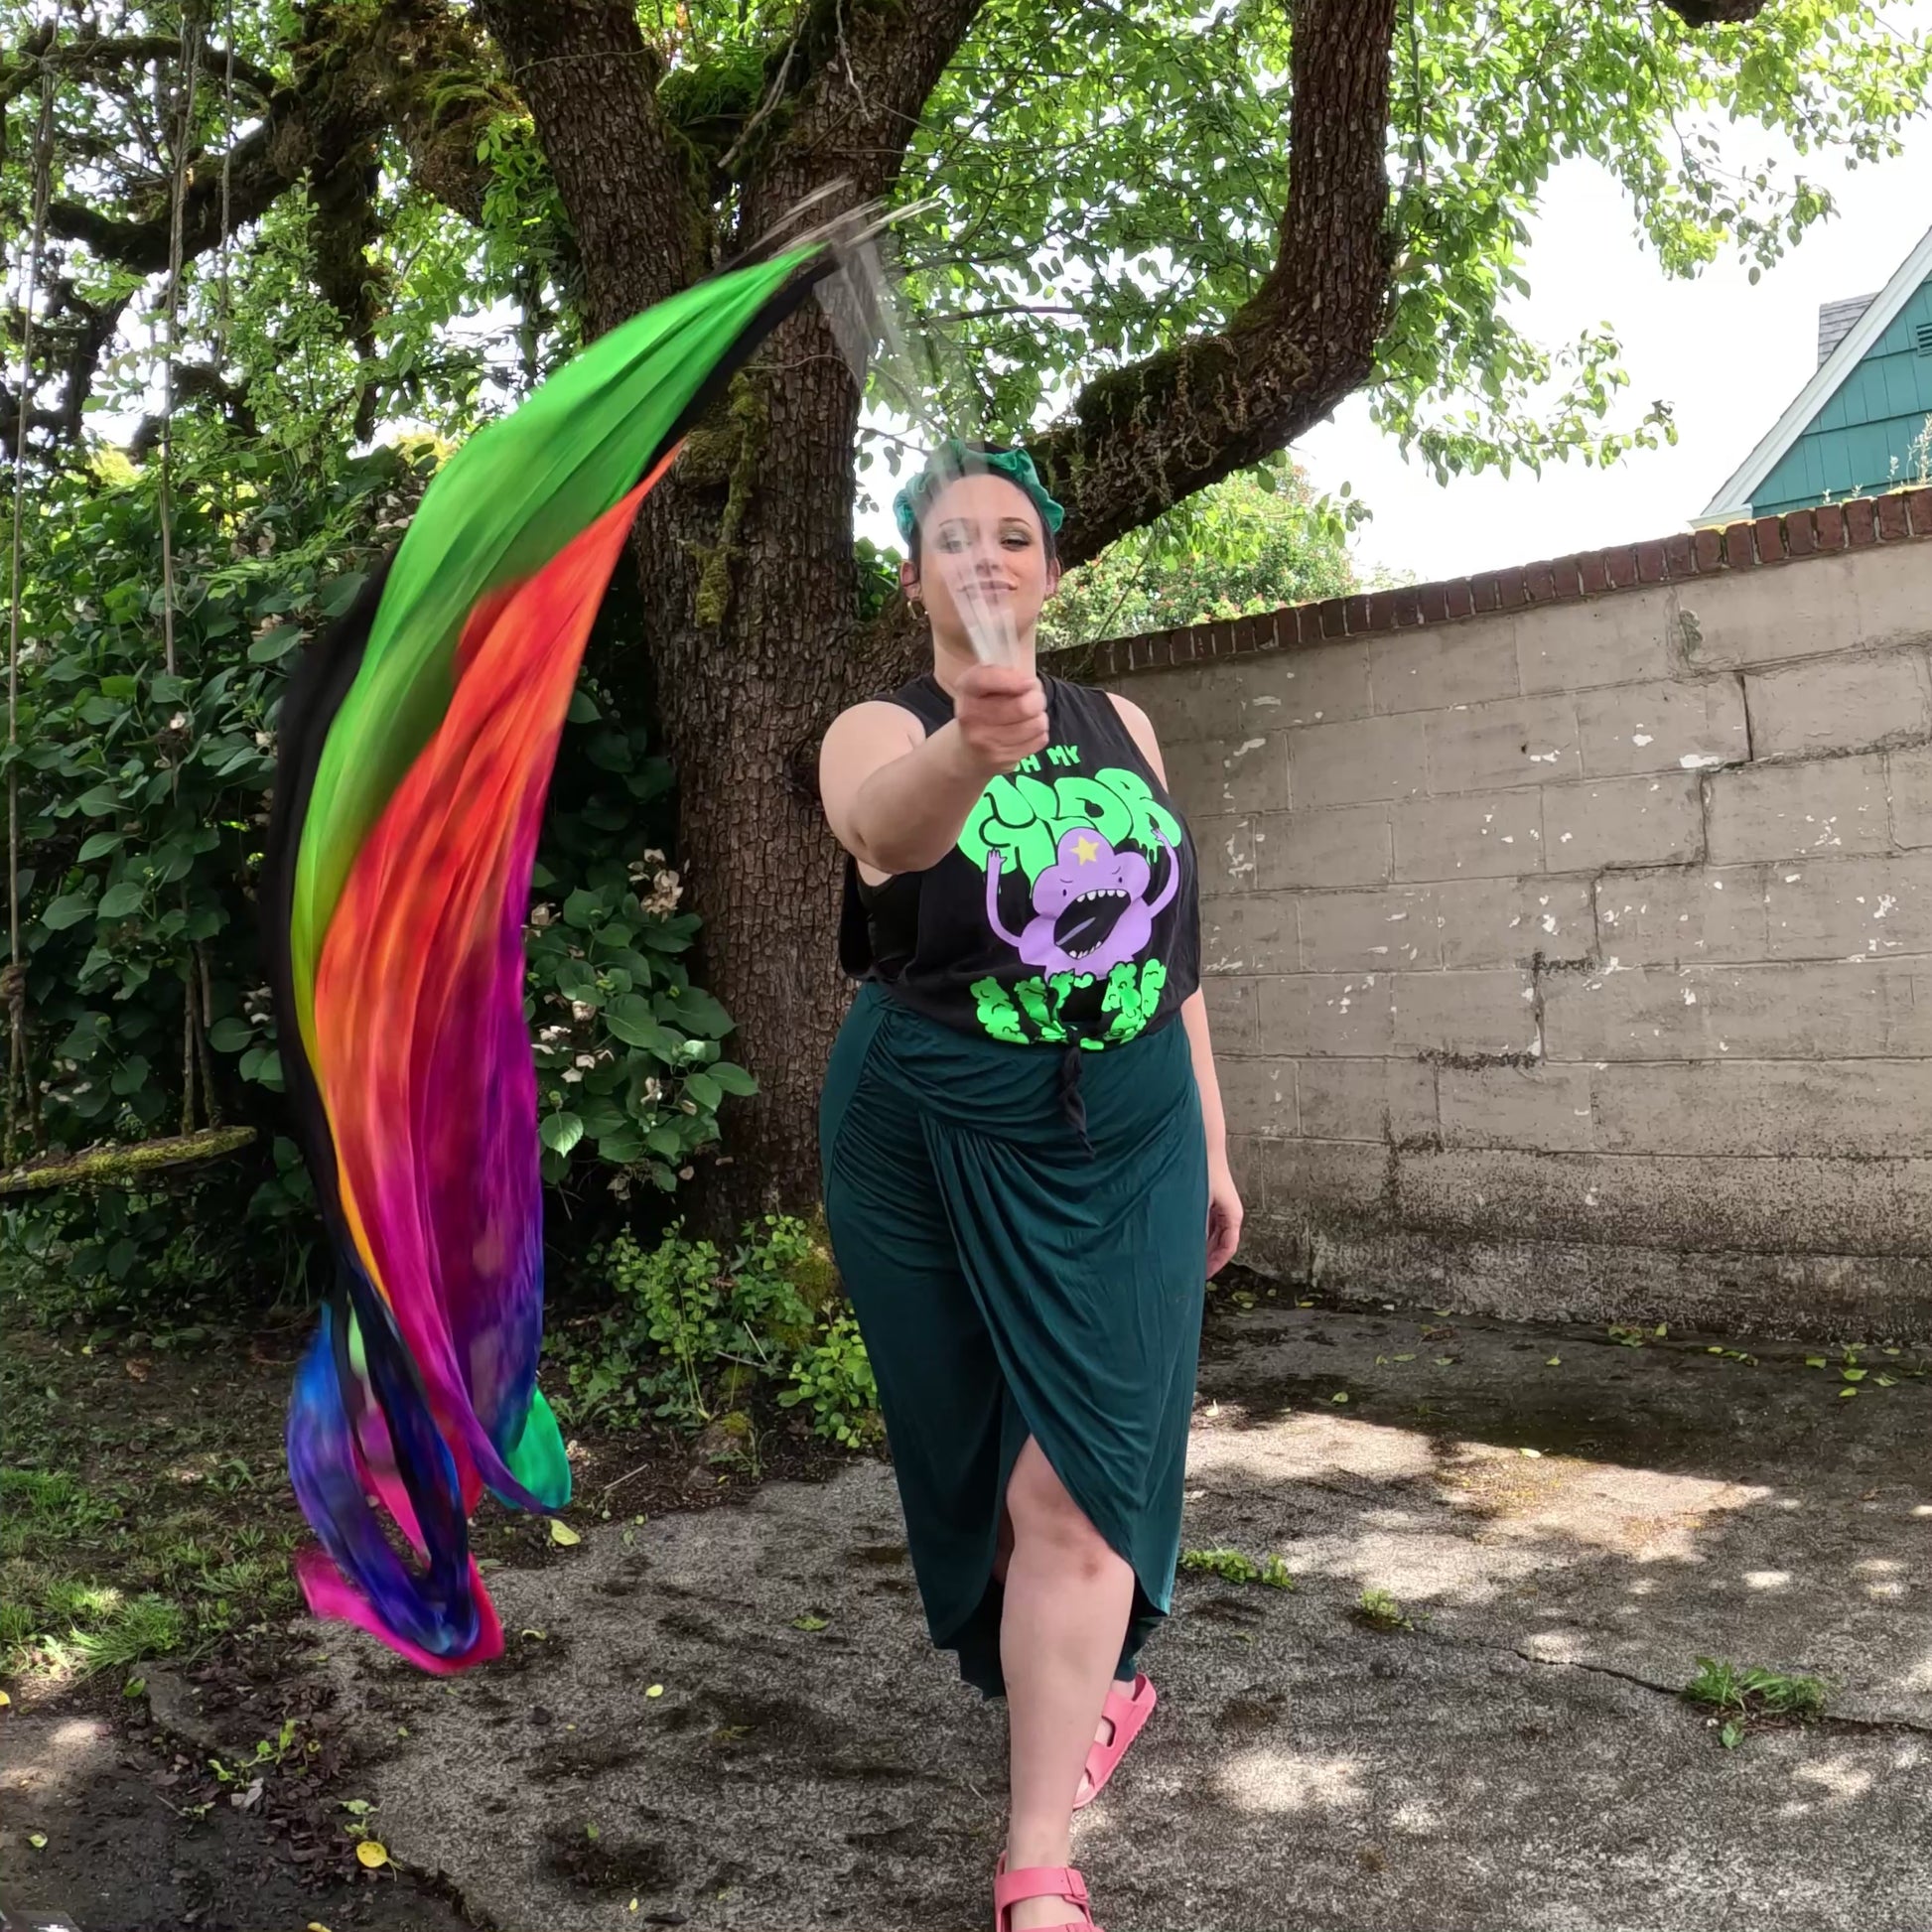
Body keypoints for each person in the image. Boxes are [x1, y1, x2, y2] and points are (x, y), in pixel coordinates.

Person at [816, 441, 1242, 1932]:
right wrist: (968, 751)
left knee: (1074, 1474)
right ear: (915, 578)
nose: (985, 556)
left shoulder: (1125, 722)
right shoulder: (880, 724)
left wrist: (1212, 1137)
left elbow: (1167, 952)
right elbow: (880, 833)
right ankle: (1078, 1691)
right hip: (923, 1130)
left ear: (1051, 570)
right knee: (974, 1457)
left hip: (1127, 1124)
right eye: (952, 538)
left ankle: (1035, 1858)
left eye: (1012, 534)